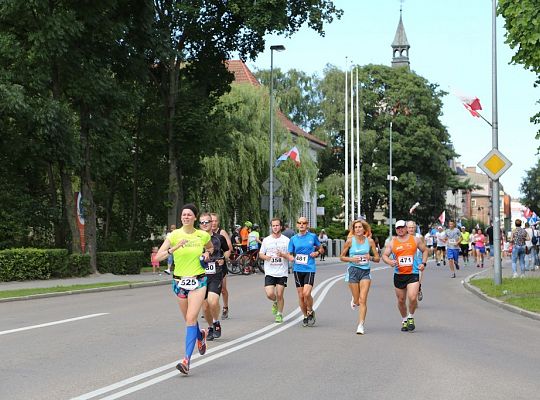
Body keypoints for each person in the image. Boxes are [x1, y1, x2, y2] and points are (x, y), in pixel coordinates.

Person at [155, 204, 213, 375]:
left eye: (189, 215)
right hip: (179, 282)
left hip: (198, 281)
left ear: (195, 218)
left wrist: (207, 254)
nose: (186, 217)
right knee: (189, 320)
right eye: (183, 215)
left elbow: (210, 248)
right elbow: (158, 257)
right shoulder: (174, 235)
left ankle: (186, 360)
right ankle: (200, 335)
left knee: (190, 318)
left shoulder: (202, 235)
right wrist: (174, 248)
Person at [382, 219, 428, 333]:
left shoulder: (415, 240)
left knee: (412, 297)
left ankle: (411, 317)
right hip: (399, 274)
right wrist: (390, 262)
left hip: (413, 273)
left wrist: (423, 263)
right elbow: (384, 255)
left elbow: (425, 250)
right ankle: (404, 319)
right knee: (401, 300)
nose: (400, 230)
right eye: (398, 228)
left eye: (402, 227)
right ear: (396, 230)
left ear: (406, 228)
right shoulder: (392, 242)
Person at [340, 220, 380, 335]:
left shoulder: (370, 241)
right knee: (357, 300)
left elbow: (378, 259)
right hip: (353, 271)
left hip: (365, 272)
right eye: (355, 227)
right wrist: (351, 259)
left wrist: (370, 258)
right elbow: (341, 257)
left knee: (363, 300)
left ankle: (361, 325)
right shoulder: (349, 241)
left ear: (364, 229)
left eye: (359, 227)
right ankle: (354, 299)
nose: (357, 229)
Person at [198, 213, 229, 340]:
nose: (205, 224)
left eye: (207, 222)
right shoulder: (196, 239)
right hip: (200, 275)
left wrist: (223, 258)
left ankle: (216, 322)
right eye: (202, 222)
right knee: (205, 307)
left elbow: (227, 250)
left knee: (213, 301)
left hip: (216, 273)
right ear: (200, 225)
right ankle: (210, 327)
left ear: (212, 223)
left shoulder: (219, 238)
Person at [287, 217, 322, 327]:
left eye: (304, 223)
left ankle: (310, 310)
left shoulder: (312, 236)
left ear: (307, 225)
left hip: (310, 268)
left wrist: (317, 253)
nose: (302, 225)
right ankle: (305, 316)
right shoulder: (293, 239)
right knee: (301, 295)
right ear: (297, 225)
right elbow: (289, 253)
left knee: (307, 293)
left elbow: (321, 249)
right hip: (298, 269)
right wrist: (290, 257)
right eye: (299, 223)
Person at [259, 218, 290, 323]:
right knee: (269, 294)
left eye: (277, 225)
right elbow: (260, 254)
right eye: (273, 226)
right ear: (271, 227)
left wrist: (283, 255)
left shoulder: (286, 240)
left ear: (281, 227)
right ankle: (276, 301)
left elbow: (290, 255)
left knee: (280, 294)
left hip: (282, 271)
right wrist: (266, 257)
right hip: (270, 272)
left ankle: (279, 314)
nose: (275, 227)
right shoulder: (266, 240)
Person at [210, 213, 233, 320]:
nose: (213, 223)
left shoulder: (221, 232)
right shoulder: (204, 234)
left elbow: (229, 248)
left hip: (220, 265)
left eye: (215, 221)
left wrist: (223, 259)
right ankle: (210, 308)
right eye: (211, 221)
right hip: (208, 265)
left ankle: (225, 307)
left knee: (223, 289)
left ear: (218, 222)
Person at [406, 221, 425, 300]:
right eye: (409, 227)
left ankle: (418, 290)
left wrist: (424, 262)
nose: (411, 229)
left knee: (418, 280)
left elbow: (425, 249)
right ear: (407, 228)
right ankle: (412, 296)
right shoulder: (403, 237)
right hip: (407, 263)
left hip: (418, 262)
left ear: (415, 228)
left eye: (413, 227)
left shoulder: (419, 237)